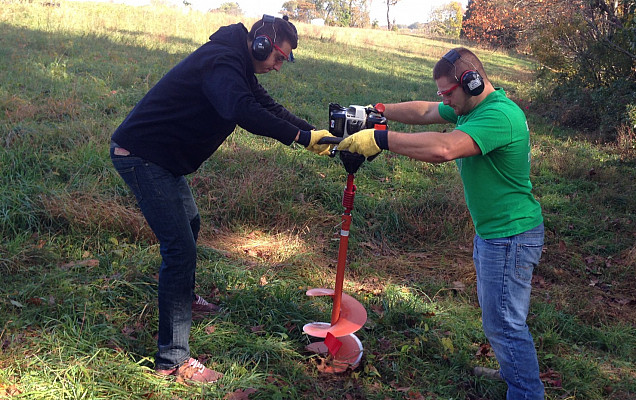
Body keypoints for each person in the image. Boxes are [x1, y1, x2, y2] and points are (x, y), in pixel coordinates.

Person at [109, 15, 335, 384]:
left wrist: (314, 135)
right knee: (179, 249)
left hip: (162, 159)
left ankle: (184, 300)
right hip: (141, 156)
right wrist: (296, 137)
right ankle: (171, 362)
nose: (278, 66)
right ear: (260, 43)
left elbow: (268, 107)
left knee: (190, 225)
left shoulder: (239, 65)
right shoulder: (222, 61)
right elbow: (241, 110)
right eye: (278, 57)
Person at [338, 47, 545, 399]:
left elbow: (444, 149)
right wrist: (379, 111)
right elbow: (426, 110)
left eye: (449, 92)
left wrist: (380, 139)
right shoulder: (474, 105)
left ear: (473, 82)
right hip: (496, 233)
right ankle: (514, 373)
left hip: (510, 236)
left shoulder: (499, 117)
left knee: (505, 325)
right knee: (501, 319)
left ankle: (526, 391)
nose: (444, 100)